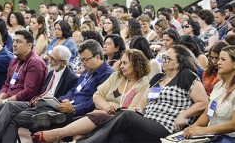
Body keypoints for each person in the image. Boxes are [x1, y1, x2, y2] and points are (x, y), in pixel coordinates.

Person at [76, 45, 208, 143]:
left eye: (168, 58)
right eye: (163, 58)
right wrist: (136, 110)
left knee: (127, 116)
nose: (164, 61)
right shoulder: (158, 78)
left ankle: (86, 141)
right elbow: (140, 105)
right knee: (118, 138)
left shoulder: (186, 75)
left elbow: (203, 103)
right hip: (146, 124)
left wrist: (184, 114)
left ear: (180, 61)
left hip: (167, 127)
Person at [33, 49, 151, 143]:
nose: (120, 66)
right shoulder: (117, 77)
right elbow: (97, 95)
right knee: (80, 133)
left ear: (136, 65)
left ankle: (58, 133)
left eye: (125, 63)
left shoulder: (144, 85)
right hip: (100, 112)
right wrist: (105, 106)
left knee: (97, 116)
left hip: (117, 119)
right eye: (121, 63)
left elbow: (132, 111)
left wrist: (111, 110)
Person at [0, 45, 78, 143]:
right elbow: (8, 83)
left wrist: (56, 101)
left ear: (64, 63)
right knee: (7, 107)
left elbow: (68, 96)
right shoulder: (51, 72)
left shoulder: (70, 77)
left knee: (9, 117)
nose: (49, 60)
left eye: (53, 59)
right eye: (50, 57)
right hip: (36, 103)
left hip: (49, 109)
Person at [183, 46, 235, 142]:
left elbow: (233, 125)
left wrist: (204, 130)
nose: (218, 62)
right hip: (212, 135)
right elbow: (207, 115)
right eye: (219, 59)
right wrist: (193, 128)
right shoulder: (218, 85)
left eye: (223, 59)